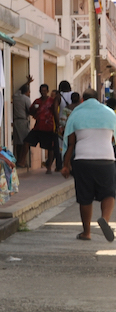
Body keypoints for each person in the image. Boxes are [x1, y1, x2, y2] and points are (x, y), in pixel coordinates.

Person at [62, 88, 116, 242]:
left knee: (85, 197)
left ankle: (87, 232)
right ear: (98, 98)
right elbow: (113, 138)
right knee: (109, 193)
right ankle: (105, 218)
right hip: (106, 159)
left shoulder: (76, 114)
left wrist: (65, 165)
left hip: (83, 159)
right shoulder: (109, 113)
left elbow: (70, 143)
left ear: (82, 100)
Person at [25, 83, 58, 173]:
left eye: (45, 91)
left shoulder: (52, 101)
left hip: (48, 127)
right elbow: (30, 112)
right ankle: (22, 161)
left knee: (50, 148)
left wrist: (57, 126)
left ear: (47, 91)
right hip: (38, 127)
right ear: (39, 91)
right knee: (27, 141)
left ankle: (49, 167)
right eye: (41, 91)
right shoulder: (37, 101)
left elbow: (55, 113)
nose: (43, 92)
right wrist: (34, 110)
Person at [12, 77, 33, 168]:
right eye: (29, 91)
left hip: (16, 121)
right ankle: (22, 161)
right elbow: (30, 110)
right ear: (27, 92)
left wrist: (27, 82)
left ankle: (18, 160)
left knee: (17, 142)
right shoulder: (26, 99)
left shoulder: (16, 96)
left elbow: (20, 89)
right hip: (23, 121)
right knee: (25, 142)